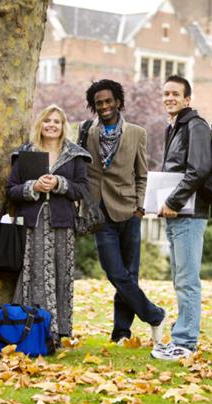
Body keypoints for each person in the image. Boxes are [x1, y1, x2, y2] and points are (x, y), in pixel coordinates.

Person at [84, 79, 165, 345]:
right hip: (100, 212)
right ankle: (154, 314)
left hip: (129, 210)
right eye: (99, 103)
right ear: (94, 107)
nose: (105, 106)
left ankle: (121, 332)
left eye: (108, 101)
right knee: (115, 272)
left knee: (128, 274)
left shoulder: (136, 133)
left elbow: (142, 173)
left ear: (118, 101)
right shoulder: (87, 132)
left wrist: (140, 207)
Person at [7, 104, 91, 349]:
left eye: (57, 121)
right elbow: (11, 190)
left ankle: (58, 330)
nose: (52, 125)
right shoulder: (26, 153)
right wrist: (33, 187)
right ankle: (31, 330)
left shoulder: (75, 155)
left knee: (59, 275)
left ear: (63, 126)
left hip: (62, 224)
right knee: (33, 275)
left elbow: (82, 189)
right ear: (40, 124)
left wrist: (59, 183)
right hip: (32, 225)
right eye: (47, 121)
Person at [151, 75, 212, 361]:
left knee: (188, 280)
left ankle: (185, 342)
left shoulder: (195, 126)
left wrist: (172, 201)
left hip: (189, 213)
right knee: (180, 279)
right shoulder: (174, 128)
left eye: (175, 93)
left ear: (187, 99)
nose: (169, 97)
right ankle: (182, 336)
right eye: (166, 93)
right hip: (176, 213)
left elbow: (198, 170)